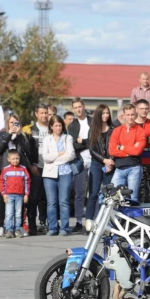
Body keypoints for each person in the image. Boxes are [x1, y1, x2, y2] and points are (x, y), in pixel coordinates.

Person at [0, 114, 36, 237]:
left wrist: (20, 136)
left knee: (19, 201)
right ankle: (1, 225)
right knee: (2, 199)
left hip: (19, 171)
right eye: (11, 123)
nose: (13, 125)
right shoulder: (1, 134)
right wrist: (9, 135)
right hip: (6, 170)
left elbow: (28, 151)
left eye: (16, 123)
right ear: (7, 124)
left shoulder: (23, 136)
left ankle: (19, 226)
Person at [42, 115, 76, 236]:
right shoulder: (47, 139)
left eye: (60, 125)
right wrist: (60, 153)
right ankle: (52, 227)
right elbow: (45, 157)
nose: (58, 128)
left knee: (64, 201)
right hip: (49, 174)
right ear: (51, 127)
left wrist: (55, 159)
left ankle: (65, 227)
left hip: (65, 172)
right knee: (51, 202)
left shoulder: (68, 138)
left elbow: (71, 155)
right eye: (56, 126)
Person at [108, 104, 147, 200]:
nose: (130, 117)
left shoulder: (141, 131)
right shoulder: (117, 131)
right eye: (128, 115)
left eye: (132, 114)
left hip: (134, 167)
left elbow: (137, 151)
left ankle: (132, 215)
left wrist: (121, 147)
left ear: (136, 115)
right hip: (119, 168)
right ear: (124, 116)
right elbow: (112, 150)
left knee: (132, 197)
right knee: (114, 196)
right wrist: (129, 152)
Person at [86, 104, 115, 229]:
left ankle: (105, 223)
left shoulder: (114, 129)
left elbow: (116, 147)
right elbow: (91, 149)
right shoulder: (93, 129)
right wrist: (104, 160)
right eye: (103, 113)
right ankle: (89, 222)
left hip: (111, 164)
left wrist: (110, 161)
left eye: (107, 113)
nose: (105, 115)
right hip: (97, 164)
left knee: (108, 195)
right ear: (98, 115)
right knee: (93, 193)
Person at [23, 104, 50, 235]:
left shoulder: (52, 128)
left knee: (46, 199)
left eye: (46, 113)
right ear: (36, 114)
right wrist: (31, 165)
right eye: (42, 113)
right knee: (33, 199)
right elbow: (25, 151)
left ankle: (44, 223)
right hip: (35, 167)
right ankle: (32, 226)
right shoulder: (29, 130)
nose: (44, 115)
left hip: (50, 168)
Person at [67, 97, 92, 234]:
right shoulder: (72, 125)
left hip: (93, 159)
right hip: (79, 161)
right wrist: (85, 143)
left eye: (80, 106)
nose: (78, 109)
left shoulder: (92, 121)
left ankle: (91, 220)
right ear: (73, 109)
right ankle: (78, 221)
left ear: (83, 106)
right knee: (79, 192)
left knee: (93, 193)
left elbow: (95, 141)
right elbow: (73, 144)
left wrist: (83, 141)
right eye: (75, 107)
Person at [0, 149, 31, 239]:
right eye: (13, 159)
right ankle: (9, 230)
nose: (15, 160)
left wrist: (26, 194)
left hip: (19, 195)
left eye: (17, 158)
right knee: (9, 213)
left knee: (18, 213)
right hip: (9, 195)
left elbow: (27, 181)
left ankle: (18, 229)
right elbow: (2, 182)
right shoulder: (5, 170)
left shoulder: (23, 169)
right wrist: (4, 194)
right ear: (8, 159)